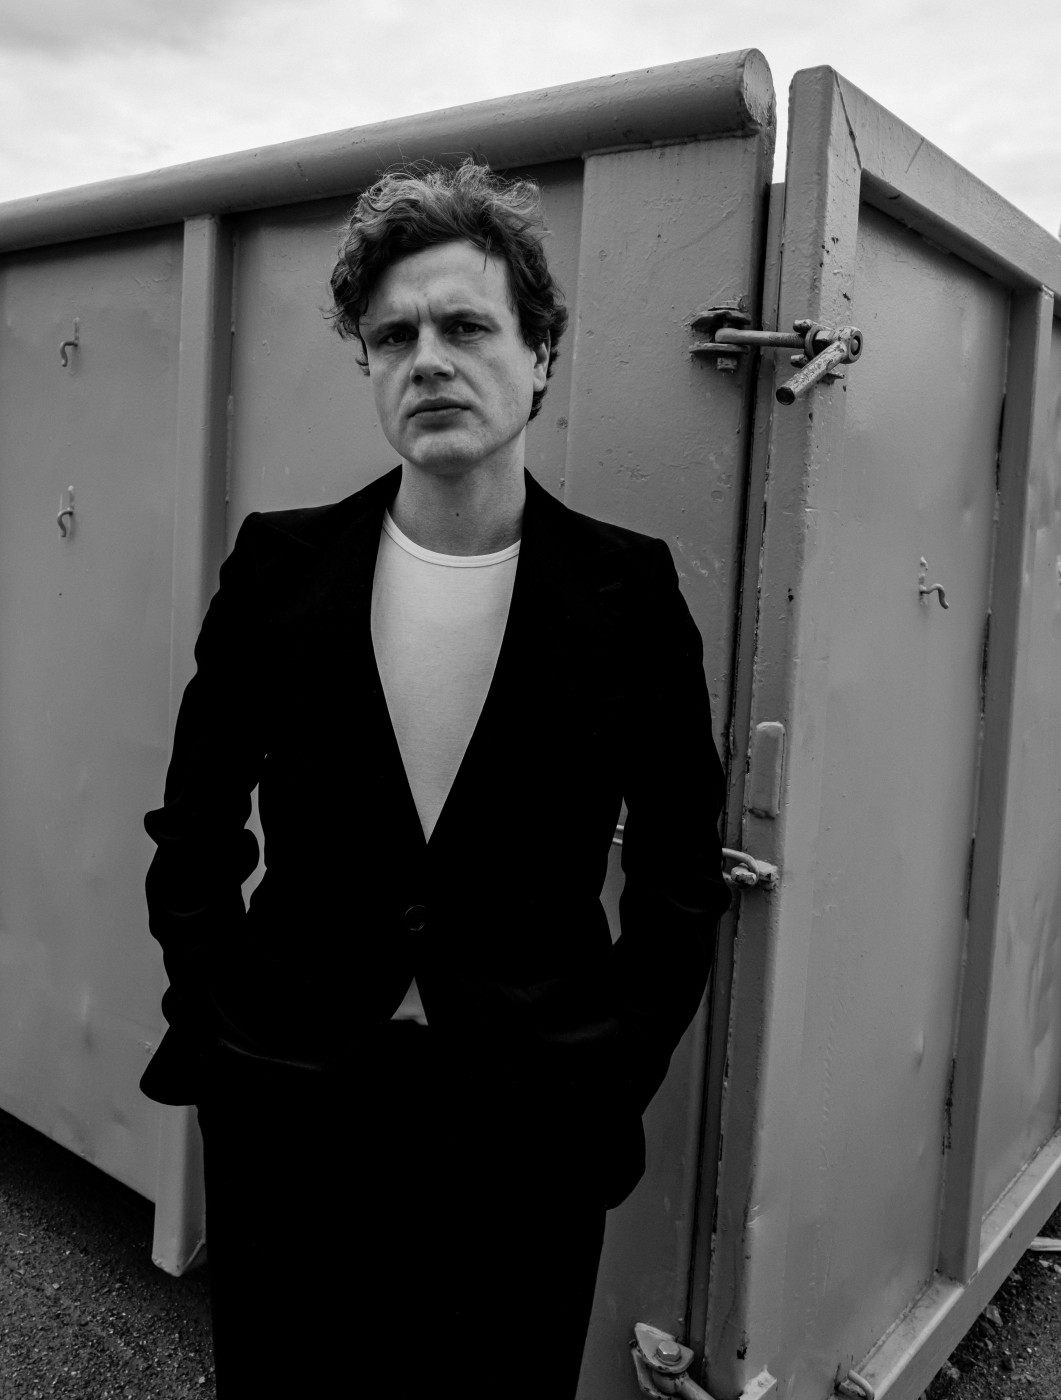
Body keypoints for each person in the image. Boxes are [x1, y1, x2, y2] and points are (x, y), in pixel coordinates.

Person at [140, 159, 729, 1399]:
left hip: (530, 1117)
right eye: (393, 335)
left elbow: (680, 866)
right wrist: (225, 1024)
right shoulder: (279, 568)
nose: (427, 361)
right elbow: (193, 828)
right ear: (366, 362)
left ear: (540, 353)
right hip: (289, 1098)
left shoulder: (625, 591)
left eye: (465, 327)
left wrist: (607, 1069)